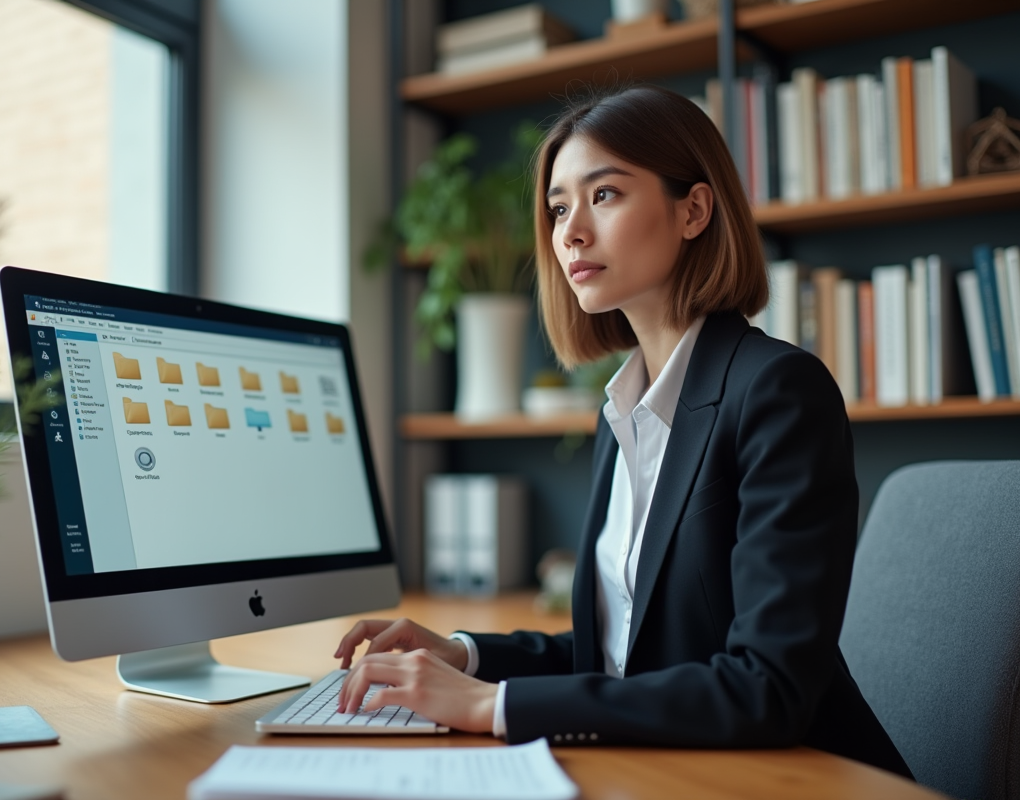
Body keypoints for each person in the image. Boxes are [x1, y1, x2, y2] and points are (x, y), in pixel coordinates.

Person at [334, 84, 912, 779]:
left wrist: (492, 705)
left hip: (796, 780)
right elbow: (622, 654)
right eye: (558, 208)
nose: (571, 232)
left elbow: (767, 687)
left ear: (693, 210)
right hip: (672, 773)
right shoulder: (621, 412)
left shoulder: (779, 391)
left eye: (603, 194)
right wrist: (466, 656)